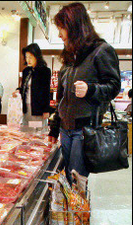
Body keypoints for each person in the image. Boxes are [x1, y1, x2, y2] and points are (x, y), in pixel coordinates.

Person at [48, 3, 121, 184]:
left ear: (75, 27)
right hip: (65, 130)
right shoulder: (70, 56)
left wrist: (91, 89)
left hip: (84, 131)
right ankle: (70, 213)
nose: (59, 35)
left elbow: (113, 86)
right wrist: (54, 128)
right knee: (67, 182)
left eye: (62, 29)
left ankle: (76, 213)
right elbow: (62, 99)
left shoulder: (101, 51)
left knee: (75, 183)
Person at [12, 43, 51, 126]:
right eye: (26, 57)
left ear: (37, 56)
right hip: (26, 107)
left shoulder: (45, 71)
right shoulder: (26, 71)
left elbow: (46, 91)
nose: (28, 60)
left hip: (37, 109)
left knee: (36, 133)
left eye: (30, 57)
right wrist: (18, 91)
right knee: (26, 132)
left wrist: (46, 110)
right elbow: (23, 87)